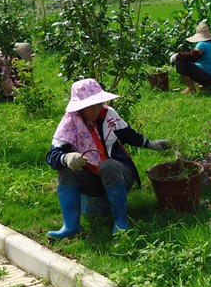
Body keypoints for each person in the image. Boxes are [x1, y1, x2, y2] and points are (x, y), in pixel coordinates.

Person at [45, 78, 169, 239]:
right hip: (90, 180)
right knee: (65, 171)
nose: (96, 109)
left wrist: (151, 144)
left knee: (108, 165)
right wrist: (67, 157)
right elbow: (52, 156)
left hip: (119, 175)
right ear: (80, 107)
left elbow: (128, 135)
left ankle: (121, 222)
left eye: (98, 103)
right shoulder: (69, 124)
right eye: (90, 106)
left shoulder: (108, 114)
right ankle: (71, 226)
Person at [170, 20, 211, 94]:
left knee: (180, 62)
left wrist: (177, 55)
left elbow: (193, 56)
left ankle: (191, 88)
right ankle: (205, 86)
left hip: (209, 78)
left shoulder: (202, 44)